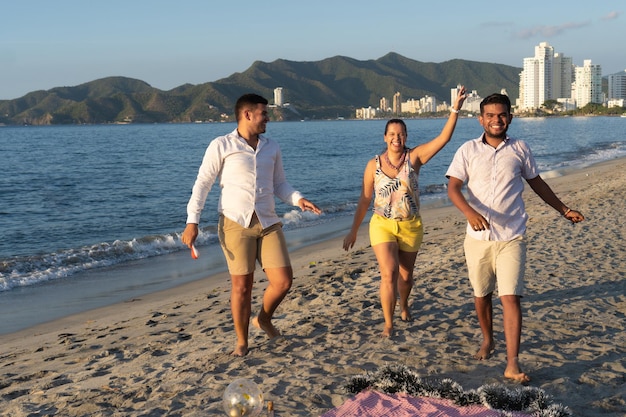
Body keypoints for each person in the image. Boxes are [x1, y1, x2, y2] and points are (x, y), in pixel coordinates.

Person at [445, 93, 584, 382]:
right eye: (491, 115)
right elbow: (454, 188)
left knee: (510, 297)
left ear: (511, 116)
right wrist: (470, 213)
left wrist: (564, 209)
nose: (497, 120)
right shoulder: (467, 150)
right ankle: (487, 339)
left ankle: (512, 362)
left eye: (502, 115)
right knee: (481, 296)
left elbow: (537, 184)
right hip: (477, 238)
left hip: (512, 236)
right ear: (481, 119)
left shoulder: (521, 148)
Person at [182, 93, 321, 357]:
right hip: (236, 224)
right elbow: (203, 184)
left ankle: (264, 319)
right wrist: (193, 221)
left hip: (268, 222)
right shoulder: (221, 145)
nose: (268, 118)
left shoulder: (272, 146)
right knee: (242, 287)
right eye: (263, 113)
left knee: (283, 282)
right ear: (247, 114)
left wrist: (298, 199)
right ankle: (242, 342)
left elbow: (279, 183)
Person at [342, 86, 468, 338]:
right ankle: (388, 324)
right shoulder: (373, 165)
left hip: (410, 225)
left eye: (400, 134)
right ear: (385, 137)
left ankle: (404, 303)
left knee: (406, 276)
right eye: (391, 134)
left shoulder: (415, 157)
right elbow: (366, 198)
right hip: (382, 224)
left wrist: (454, 110)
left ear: (406, 136)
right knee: (388, 272)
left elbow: (443, 139)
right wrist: (354, 230)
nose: (396, 138)